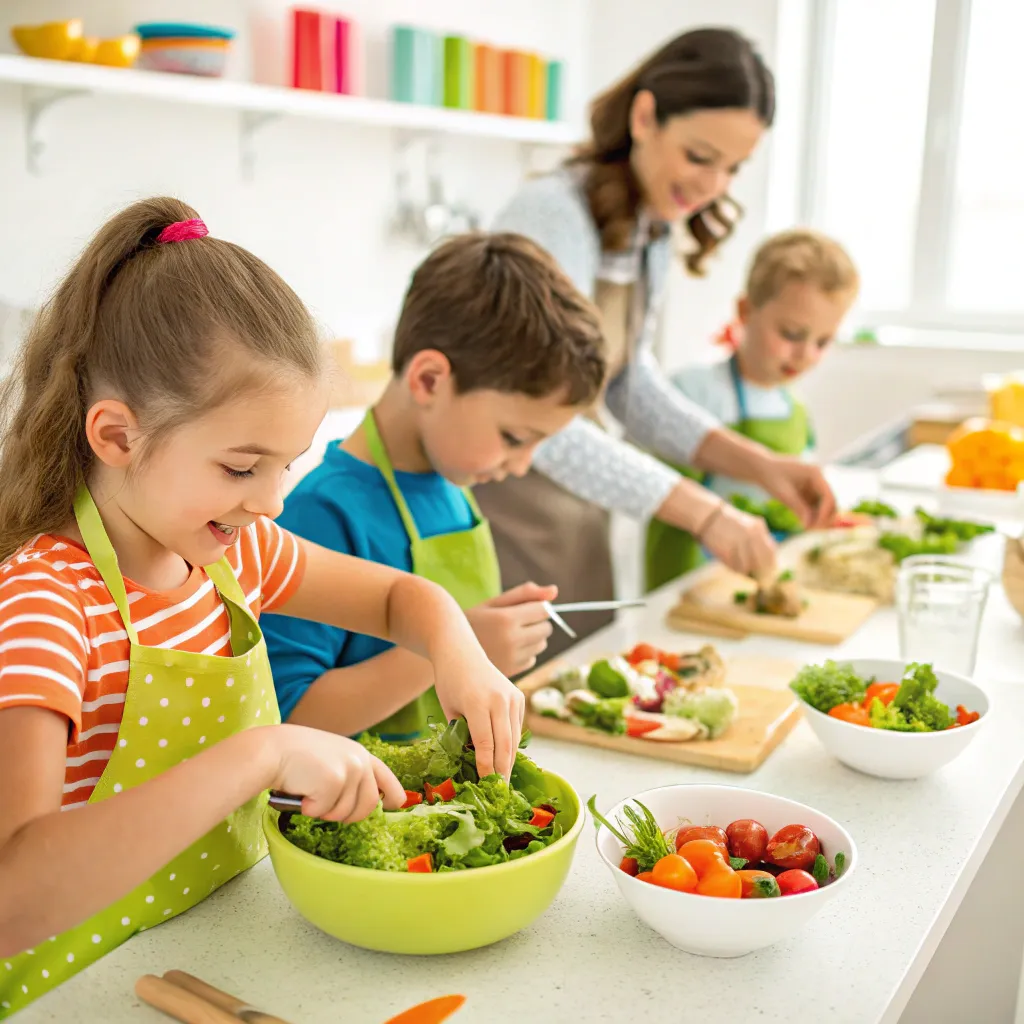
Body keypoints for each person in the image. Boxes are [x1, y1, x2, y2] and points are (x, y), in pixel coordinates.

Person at [0, 199, 524, 1015]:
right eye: (243, 466)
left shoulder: (230, 553)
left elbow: (400, 597)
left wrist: (459, 654)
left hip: (215, 941)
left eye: (289, 464)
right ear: (116, 436)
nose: (275, 501)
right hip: (73, 986)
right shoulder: (45, 605)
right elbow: (12, 899)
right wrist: (264, 753)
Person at [473, 27, 836, 656]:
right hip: (497, 508)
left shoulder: (652, 231)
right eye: (700, 156)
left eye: (732, 168)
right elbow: (531, 418)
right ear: (645, 116)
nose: (712, 186)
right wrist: (705, 511)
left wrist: (762, 466)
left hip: (574, 514)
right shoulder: (551, 215)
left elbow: (629, 384)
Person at [263, 232, 605, 740]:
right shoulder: (322, 512)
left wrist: (480, 638)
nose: (521, 465)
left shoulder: (454, 484)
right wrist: (455, 649)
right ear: (429, 381)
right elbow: (290, 717)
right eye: (513, 437)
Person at [646, 229, 859, 590]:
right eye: (792, 334)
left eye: (822, 342)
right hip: (689, 579)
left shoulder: (795, 407)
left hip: (759, 578)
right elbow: (659, 489)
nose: (805, 354)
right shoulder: (694, 391)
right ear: (745, 311)